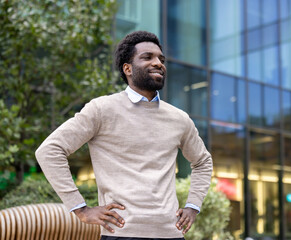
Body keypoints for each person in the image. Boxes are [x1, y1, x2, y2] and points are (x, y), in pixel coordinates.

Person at [35, 31, 213, 240]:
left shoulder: (179, 118)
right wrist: (80, 209)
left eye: (161, 59)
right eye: (147, 57)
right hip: (121, 233)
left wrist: (193, 206)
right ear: (127, 68)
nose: (158, 63)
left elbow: (202, 161)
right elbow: (49, 151)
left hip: (171, 234)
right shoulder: (102, 109)